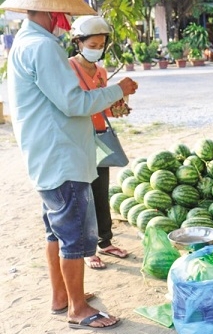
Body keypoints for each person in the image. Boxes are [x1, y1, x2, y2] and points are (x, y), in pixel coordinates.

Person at [2, 0, 138, 330]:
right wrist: (119, 89)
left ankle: (61, 297)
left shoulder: (25, 42)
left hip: (46, 154)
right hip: (60, 156)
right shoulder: (42, 47)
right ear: (52, 12)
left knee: (56, 231)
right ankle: (77, 309)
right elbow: (73, 102)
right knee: (75, 234)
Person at [68, 15, 129, 270]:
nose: (97, 50)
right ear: (78, 42)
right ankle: (88, 249)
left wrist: (119, 108)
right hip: (78, 140)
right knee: (84, 196)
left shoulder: (102, 72)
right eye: (92, 44)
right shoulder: (68, 68)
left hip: (100, 137)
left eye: (101, 45)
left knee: (101, 192)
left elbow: (104, 106)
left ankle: (105, 241)